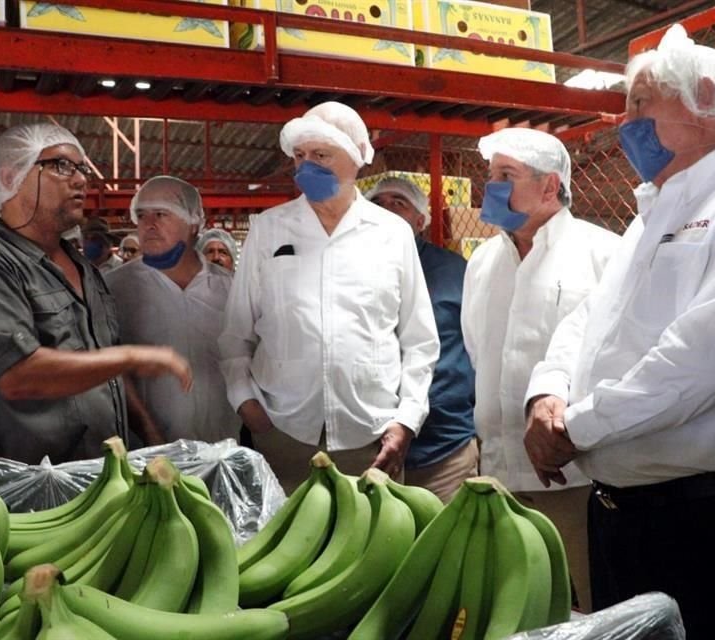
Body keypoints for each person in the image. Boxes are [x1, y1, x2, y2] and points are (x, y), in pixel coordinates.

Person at [523, 25, 715, 639]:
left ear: (704, 103)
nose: (625, 121)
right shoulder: (651, 214)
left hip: (708, 519)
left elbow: (705, 359)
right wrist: (549, 393)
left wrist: (576, 427)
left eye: (641, 103)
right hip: (617, 510)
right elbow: (590, 318)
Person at [0, 123, 193, 464]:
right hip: (33, 483)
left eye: (82, 168)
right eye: (61, 166)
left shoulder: (85, 270)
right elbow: (19, 377)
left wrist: (151, 438)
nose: (81, 179)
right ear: (12, 177)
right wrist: (133, 357)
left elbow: (106, 364)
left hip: (105, 472)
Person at [219, 101, 439, 492]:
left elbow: (419, 340)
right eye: (300, 156)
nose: (307, 167)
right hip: (284, 433)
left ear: (355, 160)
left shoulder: (391, 234)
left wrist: (406, 419)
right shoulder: (269, 230)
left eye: (321, 155)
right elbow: (236, 333)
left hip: (370, 438)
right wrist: (248, 406)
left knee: (373, 546)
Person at [461, 127, 619, 612]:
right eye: (491, 175)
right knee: (512, 604)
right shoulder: (483, 262)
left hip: (572, 477)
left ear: (550, 186)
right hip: (499, 474)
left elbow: (613, 355)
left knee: (588, 601)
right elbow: (476, 349)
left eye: (506, 175)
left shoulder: (603, 253)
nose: (493, 186)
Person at [366, 177, 477, 503]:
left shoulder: (454, 271)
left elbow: (478, 345)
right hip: (367, 446)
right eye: (377, 204)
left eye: (398, 203)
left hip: (443, 445)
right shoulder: (347, 269)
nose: (386, 211)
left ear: (421, 220)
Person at [106, 176, 240, 445]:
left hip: (221, 443)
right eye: (141, 215)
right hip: (147, 451)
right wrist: (148, 431)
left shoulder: (230, 289)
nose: (149, 224)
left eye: (161, 214)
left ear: (193, 223)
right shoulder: (115, 288)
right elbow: (110, 369)